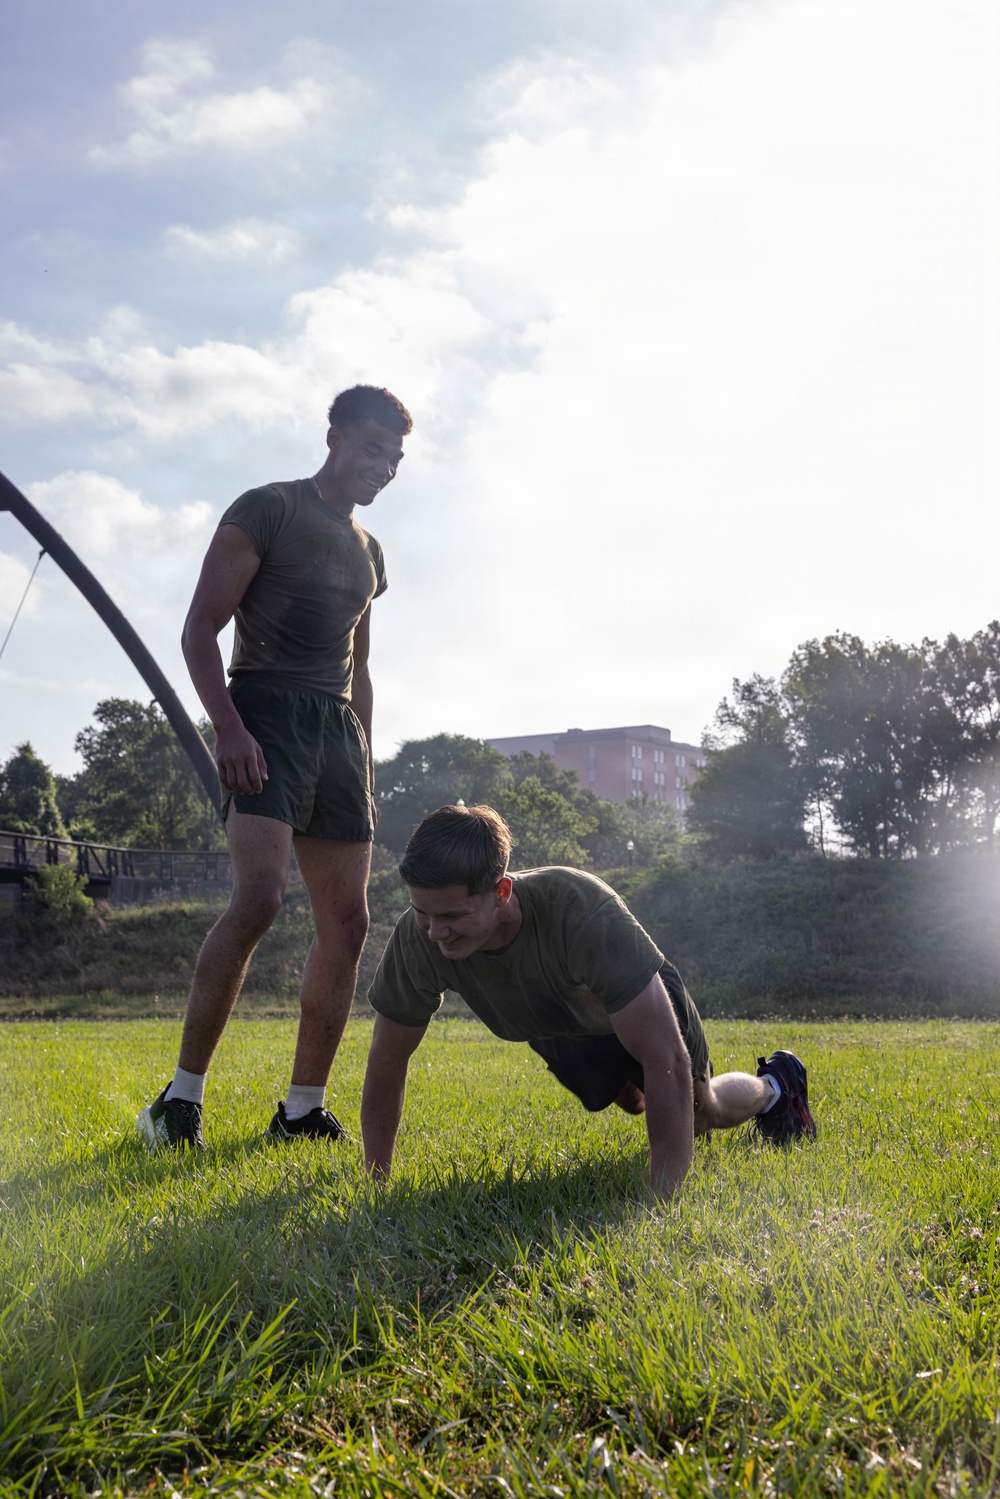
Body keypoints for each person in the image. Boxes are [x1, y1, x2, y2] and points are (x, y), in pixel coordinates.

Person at [138, 384, 412, 1151]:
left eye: (395, 457)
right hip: (263, 710)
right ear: (334, 437)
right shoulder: (267, 508)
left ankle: (300, 1108)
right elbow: (198, 632)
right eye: (371, 448)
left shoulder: (371, 553)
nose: (383, 467)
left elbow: (360, 668)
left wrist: (364, 761)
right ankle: (179, 1099)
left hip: (336, 737)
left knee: (350, 924)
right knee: (258, 899)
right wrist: (227, 726)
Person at [361, 804, 816, 1197]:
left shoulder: (579, 910)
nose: (435, 932)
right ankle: (650, 1092)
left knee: (702, 1113)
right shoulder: (417, 936)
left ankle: (776, 1085)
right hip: (562, 1027)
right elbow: (387, 1059)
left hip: (636, 1006)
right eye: (422, 912)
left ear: (501, 893)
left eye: (452, 915)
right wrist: (375, 1184)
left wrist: (662, 1203)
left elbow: (666, 1059)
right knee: (636, 1103)